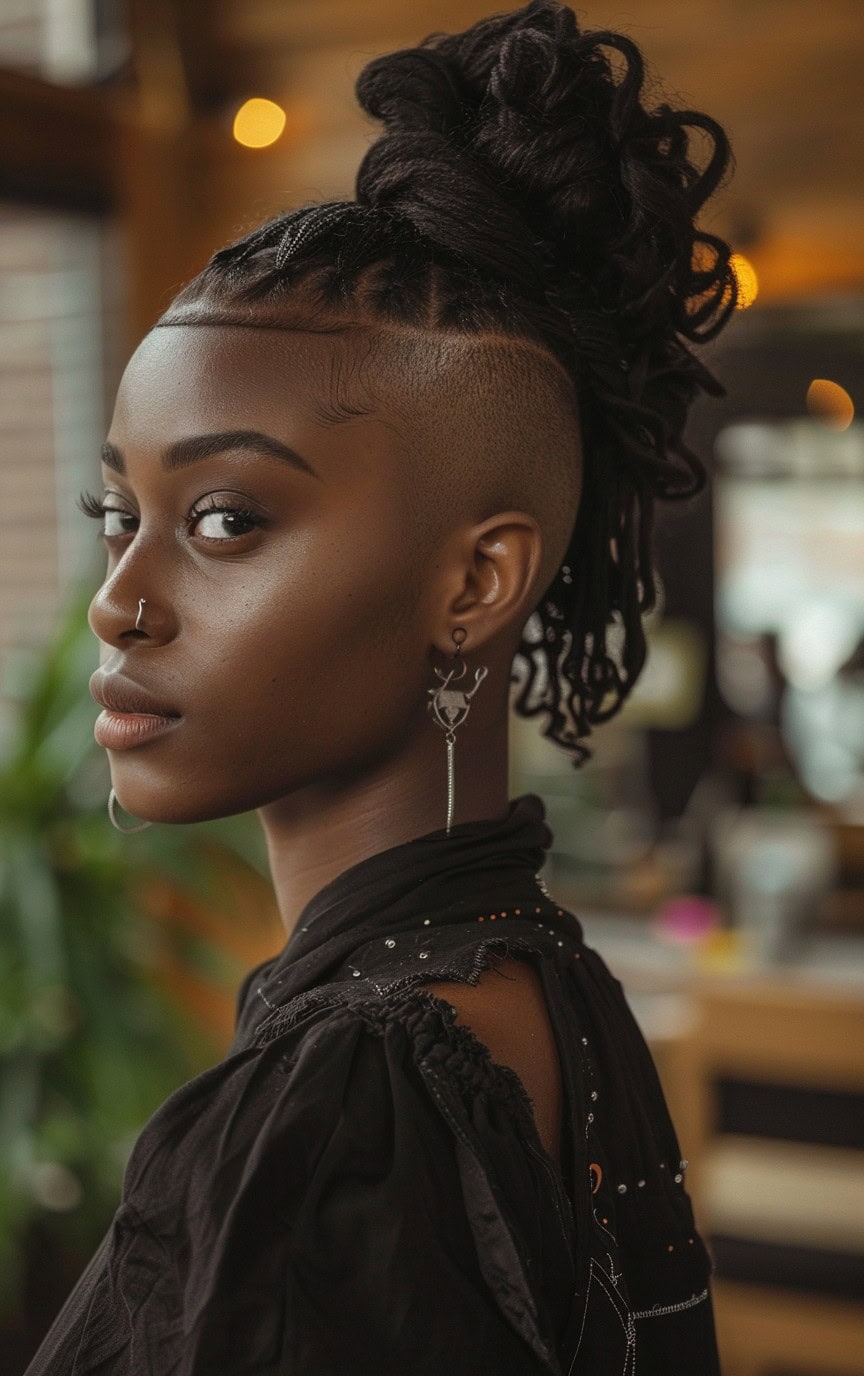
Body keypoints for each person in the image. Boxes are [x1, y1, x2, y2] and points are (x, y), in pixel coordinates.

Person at [25, 2, 739, 1371]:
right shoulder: (534, 978)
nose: (119, 599)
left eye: (228, 519)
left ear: (475, 583)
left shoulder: (353, 1104)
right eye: (119, 512)